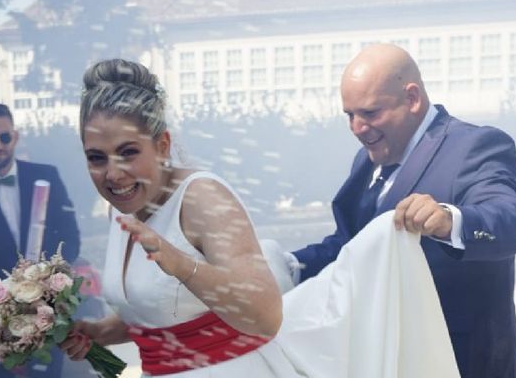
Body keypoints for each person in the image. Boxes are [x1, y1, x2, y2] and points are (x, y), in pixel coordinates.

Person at [61, 59, 461, 378]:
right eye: (96, 158)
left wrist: (182, 265)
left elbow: (266, 315)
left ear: (162, 145)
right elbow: (160, 310)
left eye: (128, 152)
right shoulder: (122, 205)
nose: (112, 173)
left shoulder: (202, 197)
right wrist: (99, 333)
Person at [290, 43, 516, 378]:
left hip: (460, 364)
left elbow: (513, 222)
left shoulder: (476, 145)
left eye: (371, 113)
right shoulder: (366, 159)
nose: (357, 128)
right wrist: (287, 267)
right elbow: (350, 246)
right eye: (350, 115)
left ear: (412, 98)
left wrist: (450, 220)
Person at [0, 102, 81, 378]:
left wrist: (46, 285)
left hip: (48, 317)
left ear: (15, 136)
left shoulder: (46, 176)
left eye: (4, 136)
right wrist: (5, 328)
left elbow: (70, 238)